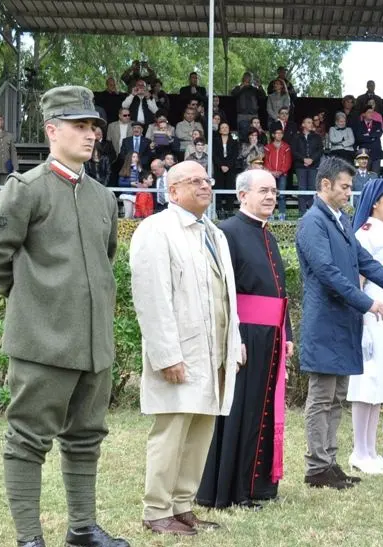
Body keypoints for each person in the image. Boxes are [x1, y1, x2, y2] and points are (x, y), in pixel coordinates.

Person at [0, 86, 126, 547]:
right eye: (80, 126)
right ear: (52, 130)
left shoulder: (102, 198)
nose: (91, 134)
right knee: (27, 440)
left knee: (85, 437)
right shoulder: (27, 189)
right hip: (42, 342)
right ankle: (29, 539)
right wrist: (29, 296)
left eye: (94, 126)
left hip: (93, 345)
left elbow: (104, 260)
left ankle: (81, 529)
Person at [294, 157, 383, 489]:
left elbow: (368, 264)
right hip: (325, 321)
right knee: (322, 396)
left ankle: (329, 461)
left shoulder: (340, 221)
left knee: (337, 396)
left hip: (344, 321)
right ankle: (316, 466)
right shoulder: (313, 222)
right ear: (325, 185)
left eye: (351, 187)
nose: (350, 193)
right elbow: (327, 272)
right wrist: (367, 301)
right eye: (345, 187)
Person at [132, 161, 243, 536]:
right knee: (172, 428)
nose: (205, 186)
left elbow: (228, 297)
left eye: (207, 180)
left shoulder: (214, 233)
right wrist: (166, 355)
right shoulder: (156, 230)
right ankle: (157, 510)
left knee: (201, 428)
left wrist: (235, 344)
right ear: (172, 190)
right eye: (194, 181)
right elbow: (152, 298)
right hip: (180, 352)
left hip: (214, 353)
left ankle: (182, 505)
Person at [194, 170, 292, 509]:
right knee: (241, 413)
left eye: (274, 191)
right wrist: (233, 336)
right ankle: (231, 489)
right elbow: (223, 293)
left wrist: (287, 332)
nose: (271, 196)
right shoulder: (228, 232)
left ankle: (258, 486)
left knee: (262, 411)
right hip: (246, 335)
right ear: (242, 195)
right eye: (263, 190)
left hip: (271, 335)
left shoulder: (270, 236)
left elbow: (280, 293)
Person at [346, 178, 383, 473]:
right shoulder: (365, 232)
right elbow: (357, 277)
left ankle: (370, 449)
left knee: (381, 381)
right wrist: (360, 318)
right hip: (371, 313)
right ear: (374, 202)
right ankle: (359, 450)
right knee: (366, 380)